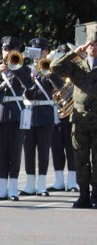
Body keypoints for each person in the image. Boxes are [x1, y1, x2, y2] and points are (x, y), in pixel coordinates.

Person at [51, 33, 97, 208]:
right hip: (80, 119)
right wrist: (75, 53)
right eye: (91, 44)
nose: (93, 47)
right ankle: (83, 195)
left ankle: (96, 196)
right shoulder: (78, 65)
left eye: (96, 44)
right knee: (80, 158)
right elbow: (55, 66)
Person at [0, 36, 34, 201]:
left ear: (16, 51)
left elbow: (28, 84)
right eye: (5, 49)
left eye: (10, 49)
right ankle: (2, 189)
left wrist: (13, 67)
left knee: (15, 152)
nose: (7, 52)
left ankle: (13, 189)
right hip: (0, 114)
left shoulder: (23, 68)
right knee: (2, 153)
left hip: (17, 114)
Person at [22, 38, 60, 197]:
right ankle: (30, 184)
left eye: (41, 51)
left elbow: (60, 85)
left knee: (43, 150)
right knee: (28, 150)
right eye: (35, 51)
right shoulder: (27, 68)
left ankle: (42, 185)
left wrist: (47, 71)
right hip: (29, 112)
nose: (38, 54)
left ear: (46, 52)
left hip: (45, 113)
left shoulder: (50, 68)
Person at [48, 44, 77, 193]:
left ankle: (73, 181)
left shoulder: (74, 73)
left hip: (71, 115)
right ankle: (59, 181)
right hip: (56, 114)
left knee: (71, 149)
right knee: (57, 148)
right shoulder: (53, 73)